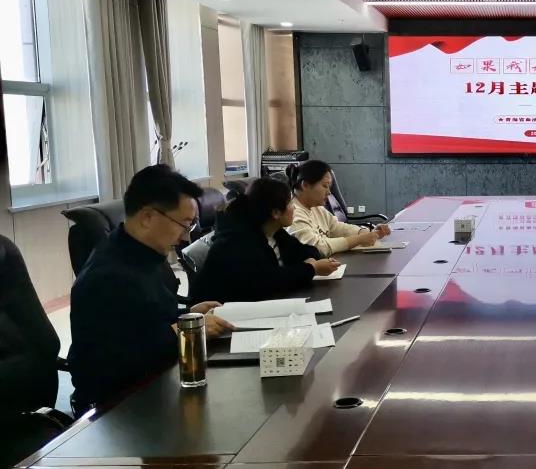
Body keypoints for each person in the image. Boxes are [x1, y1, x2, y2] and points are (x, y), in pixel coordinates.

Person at [68, 165, 233, 412]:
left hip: (161, 384)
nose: (186, 237)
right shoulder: (106, 276)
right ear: (147, 217)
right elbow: (109, 362)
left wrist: (188, 314)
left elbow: (147, 318)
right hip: (122, 408)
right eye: (184, 224)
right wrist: (182, 332)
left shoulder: (145, 255)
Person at [190, 178, 340, 304]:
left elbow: (307, 251)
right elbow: (268, 282)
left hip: (263, 304)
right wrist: (311, 269)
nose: (294, 207)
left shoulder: (274, 231)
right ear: (275, 213)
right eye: (289, 203)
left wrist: (309, 262)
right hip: (220, 314)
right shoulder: (239, 241)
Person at [287, 160, 390, 256]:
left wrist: (365, 232)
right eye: (325, 186)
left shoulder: (316, 208)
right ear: (305, 185)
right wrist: (359, 239)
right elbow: (317, 248)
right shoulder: (292, 213)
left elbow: (336, 227)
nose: (329, 192)